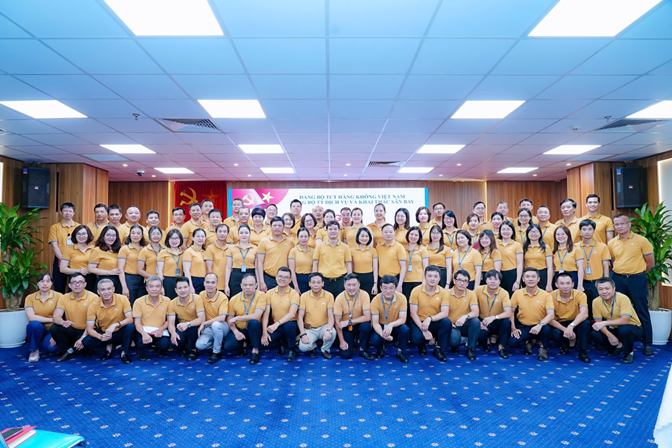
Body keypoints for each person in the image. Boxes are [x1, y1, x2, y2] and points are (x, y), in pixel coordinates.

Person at [608, 214, 654, 357]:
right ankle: (621, 344)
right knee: (618, 311)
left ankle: (647, 344)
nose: (619, 226)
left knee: (641, 310)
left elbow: (650, 263)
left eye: (622, 223)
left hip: (636, 279)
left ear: (629, 224)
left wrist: (637, 273)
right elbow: (613, 261)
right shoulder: (612, 243)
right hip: (618, 279)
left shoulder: (641, 240)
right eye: (616, 224)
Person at [591, 277, 644, 364]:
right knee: (595, 334)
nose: (604, 292)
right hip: (613, 327)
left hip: (632, 327)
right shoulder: (596, 301)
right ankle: (619, 346)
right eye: (600, 289)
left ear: (614, 288)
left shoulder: (623, 298)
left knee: (624, 330)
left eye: (607, 288)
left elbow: (625, 320)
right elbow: (598, 323)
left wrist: (604, 323)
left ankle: (629, 353)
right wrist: (609, 335)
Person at [82, 278, 134, 364]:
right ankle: (108, 348)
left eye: (109, 289)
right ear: (98, 292)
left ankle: (125, 353)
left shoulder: (123, 299)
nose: (106, 292)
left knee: (131, 327)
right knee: (86, 341)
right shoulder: (93, 305)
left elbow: (130, 319)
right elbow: (89, 328)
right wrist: (100, 337)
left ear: (113, 289)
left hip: (119, 331)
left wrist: (115, 325)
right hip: (105, 333)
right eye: (103, 290)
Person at [50, 273, 98, 362]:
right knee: (54, 328)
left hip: (87, 331)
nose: (77, 285)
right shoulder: (64, 298)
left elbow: (93, 322)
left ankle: (76, 349)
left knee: (85, 344)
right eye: (74, 282)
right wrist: (62, 322)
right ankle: (67, 350)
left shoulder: (94, 298)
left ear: (85, 284)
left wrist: (82, 338)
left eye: (80, 282)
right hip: (72, 329)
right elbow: (55, 318)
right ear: (70, 285)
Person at [509, 268, 555, 361]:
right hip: (523, 326)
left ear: (538, 279)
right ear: (523, 279)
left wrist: (540, 325)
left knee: (547, 330)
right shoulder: (517, 293)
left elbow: (551, 314)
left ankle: (543, 348)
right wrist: (513, 328)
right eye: (527, 277)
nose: (530, 279)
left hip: (540, 326)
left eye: (533, 277)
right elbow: (511, 311)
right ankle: (529, 341)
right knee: (512, 342)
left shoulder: (546, 295)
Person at [409, 266, 452, 362]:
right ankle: (421, 345)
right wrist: (423, 329)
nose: (433, 279)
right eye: (430, 276)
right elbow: (413, 313)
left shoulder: (443, 292)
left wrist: (430, 319)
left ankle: (439, 349)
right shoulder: (416, 290)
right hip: (419, 322)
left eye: (435, 276)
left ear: (439, 278)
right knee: (416, 339)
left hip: (434, 321)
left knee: (446, 322)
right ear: (425, 277)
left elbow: (445, 313)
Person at [366, 275, 410, 363]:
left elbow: (402, 319)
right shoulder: (376, 300)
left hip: (395, 325)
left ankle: (400, 351)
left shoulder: (402, 298)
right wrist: (383, 334)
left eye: (391, 288)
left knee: (405, 329)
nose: (388, 291)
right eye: (385, 288)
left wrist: (391, 325)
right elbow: (375, 322)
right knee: (375, 339)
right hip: (381, 326)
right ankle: (381, 348)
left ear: (395, 288)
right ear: (380, 288)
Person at [549, 272, 591, 363]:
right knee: (554, 332)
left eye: (568, 283)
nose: (565, 286)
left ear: (573, 284)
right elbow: (549, 318)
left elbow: (584, 314)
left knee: (586, 324)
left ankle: (582, 351)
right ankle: (564, 344)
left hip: (576, 321)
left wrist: (571, 326)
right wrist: (565, 329)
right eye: (562, 283)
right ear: (556, 284)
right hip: (560, 323)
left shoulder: (580, 295)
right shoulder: (550, 296)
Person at [225, 274, 266, 364]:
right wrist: (236, 332)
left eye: (251, 285)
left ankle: (255, 350)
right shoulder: (234, 299)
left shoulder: (261, 295)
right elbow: (229, 319)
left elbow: (256, 316)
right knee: (228, 346)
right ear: (241, 285)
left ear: (256, 285)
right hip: (241, 329)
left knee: (253, 322)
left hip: (255, 328)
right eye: (245, 285)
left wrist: (238, 318)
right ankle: (244, 342)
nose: (248, 287)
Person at [261, 267, 300, 362]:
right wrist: (264, 332)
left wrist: (277, 324)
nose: (282, 279)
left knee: (288, 326)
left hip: (291, 325)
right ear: (276, 277)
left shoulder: (294, 293)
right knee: (264, 343)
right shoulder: (269, 293)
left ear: (290, 280)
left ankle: (292, 349)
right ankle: (283, 342)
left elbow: (292, 314)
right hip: (277, 326)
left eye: (286, 277)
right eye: (280, 276)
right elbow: (266, 314)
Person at [333, 274, 373, 360]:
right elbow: (337, 322)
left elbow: (367, 317)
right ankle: (352, 342)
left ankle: (362, 350)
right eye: (349, 285)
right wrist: (342, 341)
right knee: (345, 355)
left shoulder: (364, 295)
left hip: (358, 324)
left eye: (354, 285)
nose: (351, 288)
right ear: (344, 286)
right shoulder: (339, 298)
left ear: (359, 285)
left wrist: (349, 322)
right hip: (346, 327)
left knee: (366, 326)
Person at [298, 273, 336, 359]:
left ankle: (325, 350)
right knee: (303, 347)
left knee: (333, 332)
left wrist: (329, 330)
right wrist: (303, 334)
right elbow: (300, 317)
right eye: (313, 282)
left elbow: (331, 315)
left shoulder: (329, 296)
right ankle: (313, 347)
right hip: (310, 328)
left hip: (324, 326)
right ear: (309, 284)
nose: (316, 285)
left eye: (318, 282)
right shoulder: (304, 296)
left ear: (323, 283)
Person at [25, 273, 61, 362]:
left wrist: (56, 334)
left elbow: (61, 317)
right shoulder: (30, 298)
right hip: (38, 327)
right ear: (37, 283)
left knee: (51, 348)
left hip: (53, 328)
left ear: (52, 283)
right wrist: (51, 319)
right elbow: (31, 317)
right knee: (33, 324)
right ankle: (33, 350)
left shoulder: (59, 296)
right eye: (42, 281)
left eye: (48, 281)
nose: (45, 284)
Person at [132, 276, 171, 360]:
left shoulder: (167, 300)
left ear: (161, 288)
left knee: (164, 344)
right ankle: (141, 353)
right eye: (151, 286)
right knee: (140, 342)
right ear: (147, 288)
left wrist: (161, 329)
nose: (154, 289)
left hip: (160, 330)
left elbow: (169, 320)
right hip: (144, 330)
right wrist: (144, 334)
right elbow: (137, 322)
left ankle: (159, 351)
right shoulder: (138, 302)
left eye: (157, 286)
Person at [475, 270, 512, 359]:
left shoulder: (504, 293)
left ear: (500, 281)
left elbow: (508, 312)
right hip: (483, 320)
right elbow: (471, 308)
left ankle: (501, 347)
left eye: (495, 279)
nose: (492, 281)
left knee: (506, 322)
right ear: (485, 280)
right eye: (490, 279)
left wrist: (494, 317)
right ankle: (486, 342)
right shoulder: (478, 290)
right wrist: (478, 322)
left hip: (497, 320)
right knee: (479, 331)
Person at [168, 277, 205, 361]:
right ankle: (184, 347)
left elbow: (202, 318)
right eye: (180, 288)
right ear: (176, 290)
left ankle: (193, 350)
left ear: (189, 288)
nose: (183, 290)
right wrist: (173, 333)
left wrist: (188, 324)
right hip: (182, 326)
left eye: (185, 287)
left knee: (192, 331)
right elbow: (171, 322)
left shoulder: (197, 298)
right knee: (174, 342)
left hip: (195, 325)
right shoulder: (172, 303)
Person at [196, 273, 230, 364]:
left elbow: (222, 318)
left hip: (222, 326)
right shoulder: (201, 295)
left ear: (217, 284)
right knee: (200, 345)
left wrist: (204, 323)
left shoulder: (223, 297)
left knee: (216, 324)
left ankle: (216, 352)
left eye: (213, 282)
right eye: (207, 282)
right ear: (204, 283)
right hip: (209, 327)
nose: (210, 285)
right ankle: (218, 343)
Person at [578, 219, 611, 314]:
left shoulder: (602, 246)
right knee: (584, 308)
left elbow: (606, 265)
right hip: (582, 282)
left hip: (598, 282)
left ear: (594, 231)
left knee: (599, 308)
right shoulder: (575, 247)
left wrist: (606, 282)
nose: (587, 232)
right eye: (584, 229)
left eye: (590, 229)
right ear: (580, 231)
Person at [447, 269, 480, 361]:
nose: (462, 283)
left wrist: (465, 317)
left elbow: (475, 312)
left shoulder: (471, 294)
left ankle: (470, 349)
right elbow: (441, 312)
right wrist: (449, 323)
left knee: (475, 321)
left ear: (468, 283)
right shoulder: (446, 294)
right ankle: (454, 345)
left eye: (465, 281)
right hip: (451, 325)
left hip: (464, 323)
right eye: (459, 280)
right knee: (454, 340)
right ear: (454, 281)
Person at [312, 221, 352, 297]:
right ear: (327, 231)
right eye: (330, 229)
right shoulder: (320, 246)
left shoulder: (345, 247)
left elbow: (348, 264)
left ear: (339, 231)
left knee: (340, 302)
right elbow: (315, 263)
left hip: (340, 281)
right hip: (324, 281)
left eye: (335, 229)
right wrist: (315, 279)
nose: (333, 231)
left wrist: (349, 280)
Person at [48, 202, 79, 293]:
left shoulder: (79, 226)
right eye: (65, 211)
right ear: (61, 212)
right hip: (60, 259)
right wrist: (64, 260)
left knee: (75, 285)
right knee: (59, 286)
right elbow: (54, 246)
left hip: (75, 259)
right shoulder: (55, 227)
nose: (67, 213)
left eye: (70, 211)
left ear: (74, 213)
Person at [257, 217, 294, 292]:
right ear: (270, 227)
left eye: (279, 225)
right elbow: (260, 262)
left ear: (283, 227)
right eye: (274, 225)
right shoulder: (264, 242)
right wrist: (261, 282)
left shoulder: (290, 242)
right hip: (268, 279)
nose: (277, 227)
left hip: (285, 279)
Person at [59, 224, 96, 292]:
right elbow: (62, 269)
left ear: (88, 235)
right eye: (78, 234)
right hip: (75, 278)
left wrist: (91, 270)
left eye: (84, 234)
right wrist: (78, 271)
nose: (81, 236)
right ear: (75, 236)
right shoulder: (68, 249)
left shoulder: (94, 249)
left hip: (91, 278)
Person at [225, 224, 257, 299]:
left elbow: (257, 268)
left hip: (251, 273)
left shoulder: (255, 248)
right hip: (236, 275)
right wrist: (226, 285)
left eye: (246, 233)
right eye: (241, 233)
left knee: (250, 298)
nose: (244, 235)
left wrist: (258, 282)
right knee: (235, 298)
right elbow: (228, 267)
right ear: (238, 234)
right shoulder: (231, 248)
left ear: (250, 234)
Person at [89, 225, 123, 293]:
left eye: (113, 235)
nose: (111, 237)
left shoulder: (120, 250)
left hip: (119, 281)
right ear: (103, 236)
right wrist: (109, 272)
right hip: (104, 281)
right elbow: (91, 269)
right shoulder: (97, 250)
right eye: (108, 235)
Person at [118, 224, 147, 304]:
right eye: (133, 233)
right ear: (129, 235)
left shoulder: (145, 249)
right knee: (130, 303)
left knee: (141, 304)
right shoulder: (124, 249)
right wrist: (124, 286)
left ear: (142, 236)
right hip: (129, 279)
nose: (135, 235)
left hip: (143, 279)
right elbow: (120, 269)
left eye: (138, 233)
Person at [523, 224, 553, 292]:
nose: (534, 234)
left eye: (536, 231)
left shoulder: (545, 247)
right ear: (527, 234)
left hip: (542, 274)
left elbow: (550, 267)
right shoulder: (524, 247)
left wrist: (549, 283)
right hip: (528, 275)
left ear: (540, 234)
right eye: (531, 232)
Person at [376, 224, 407, 291]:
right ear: (382, 234)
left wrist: (400, 284)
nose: (388, 234)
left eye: (390, 232)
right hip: (381, 279)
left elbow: (403, 266)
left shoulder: (399, 247)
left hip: (394, 279)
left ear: (394, 233)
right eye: (386, 232)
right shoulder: (378, 247)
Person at [349, 227, 379, 296]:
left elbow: (375, 268)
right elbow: (350, 267)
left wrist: (375, 284)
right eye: (362, 236)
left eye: (366, 236)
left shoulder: (373, 250)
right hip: (356, 278)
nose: (364, 238)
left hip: (369, 278)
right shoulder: (351, 250)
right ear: (358, 237)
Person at [402, 226, 429, 299]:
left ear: (419, 237)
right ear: (408, 235)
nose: (413, 237)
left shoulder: (423, 249)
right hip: (405, 281)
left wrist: (424, 282)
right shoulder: (403, 248)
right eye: (411, 234)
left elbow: (426, 267)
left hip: (418, 281)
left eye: (416, 235)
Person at [498, 221, 523, 294]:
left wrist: (518, 281)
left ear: (512, 231)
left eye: (508, 229)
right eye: (503, 229)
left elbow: (520, 264)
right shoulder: (496, 244)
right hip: (499, 274)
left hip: (513, 274)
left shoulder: (517, 245)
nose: (506, 231)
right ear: (500, 231)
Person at [157, 229, 184, 299]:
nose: (174, 241)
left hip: (180, 280)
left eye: (176, 238)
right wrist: (160, 286)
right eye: (171, 238)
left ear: (180, 239)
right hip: (167, 281)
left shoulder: (184, 253)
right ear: (168, 239)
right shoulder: (163, 252)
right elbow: (160, 270)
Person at [204, 224, 230, 292]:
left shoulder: (231, 248)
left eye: (224, 231)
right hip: (215, 284)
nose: (222, 234)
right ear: (216, 233)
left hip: (228, 283)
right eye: (220, 231)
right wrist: (211, 283)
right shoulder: (210, 248)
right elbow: (209, 268)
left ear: (228, 234)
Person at [289, 227, 315, 294]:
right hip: (298, 280)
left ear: (309, 237)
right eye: (301, 236)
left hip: (310, 280)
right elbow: (292, 270)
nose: (303, 239)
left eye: (305, 236)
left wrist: (313, 283)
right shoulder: (293, 251)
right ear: (297, 237)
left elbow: (314, 268)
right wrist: (296, 286)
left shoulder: (313, 251)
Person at [183, 228, 207, 294]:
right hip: (194, 281)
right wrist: (190, 286)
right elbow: (186, 270)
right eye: (198, 236)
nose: (200, 238)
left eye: (202, 236)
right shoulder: (189, 251)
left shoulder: (205, 252)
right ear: (193, 238)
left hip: (204, 281)